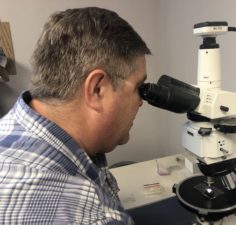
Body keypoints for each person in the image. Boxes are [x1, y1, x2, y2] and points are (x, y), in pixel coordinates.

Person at [0, 7, 151, 224]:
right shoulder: (91, 218)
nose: (141, 101)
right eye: (139, 87)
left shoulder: (11, 128)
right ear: (98, 89)